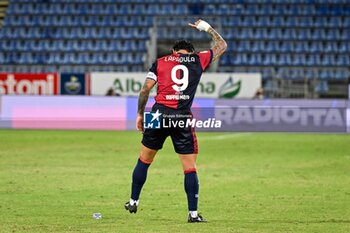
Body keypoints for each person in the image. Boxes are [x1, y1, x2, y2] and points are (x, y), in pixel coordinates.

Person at [124, 19, 227, 223]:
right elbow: (222, 45)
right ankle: (193, 214)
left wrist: (139, 114)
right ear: (191, 52)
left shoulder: (161, 62)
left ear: (173, 51)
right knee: (189, 167)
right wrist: (207, 28)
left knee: (144, 159)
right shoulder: (199, 60)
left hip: (157, 113)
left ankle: (133, 200)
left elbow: (145, 89)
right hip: (181, 115)